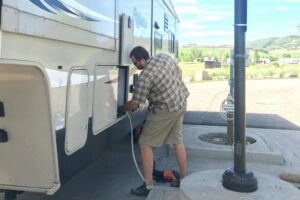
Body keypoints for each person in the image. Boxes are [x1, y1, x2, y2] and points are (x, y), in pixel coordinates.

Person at [118, 46, 190, 196]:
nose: (135, 66)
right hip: (181, 101)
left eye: (135, 62)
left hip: (167, 109)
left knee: (145, 143)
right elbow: (178, 71)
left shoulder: (145, 76)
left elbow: (135, 103)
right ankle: (184, 179)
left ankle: (148, 185)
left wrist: (119, 109)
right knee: (177, 140)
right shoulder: (163, 57)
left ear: (143, 60)